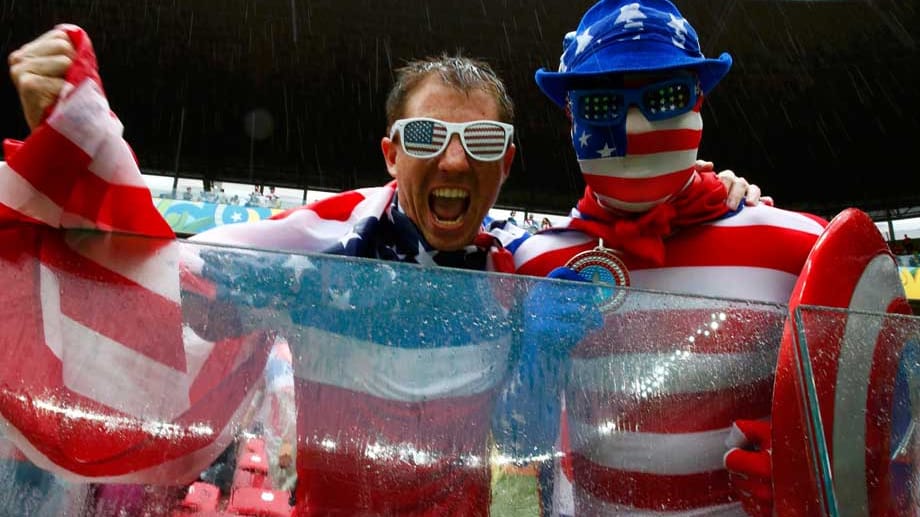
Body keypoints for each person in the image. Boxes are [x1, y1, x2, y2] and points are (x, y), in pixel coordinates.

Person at [3, 23, 763, 516]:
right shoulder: (311, 247)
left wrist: (716, 193)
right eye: (429, 135)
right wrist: (84, 140)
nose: (456, 159)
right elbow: (156, 278)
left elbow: (520, 438)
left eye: (484, 141)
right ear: (391, 152)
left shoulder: (522, 267)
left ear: (506, 168)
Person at [500, 1, 828, 516]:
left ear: (699, 100)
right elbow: (514, 447)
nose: (634, 123)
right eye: (602, 105)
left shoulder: (799, 248)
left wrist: (806, 466)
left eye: (665, 97)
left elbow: (877, 416)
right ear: (571, 115)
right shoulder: (532, 261)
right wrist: (532, 372)